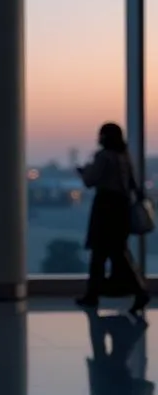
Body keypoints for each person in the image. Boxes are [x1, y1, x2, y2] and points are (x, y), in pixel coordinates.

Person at [75, 122, 150, 313]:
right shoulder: (124, 157)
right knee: (118, 251)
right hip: (121, 208)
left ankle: (95, 295)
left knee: (100, 253)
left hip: (105, 207)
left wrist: (83, 173)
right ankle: (135, 290)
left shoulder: (103, 156)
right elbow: (132, 184)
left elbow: (90, 181)